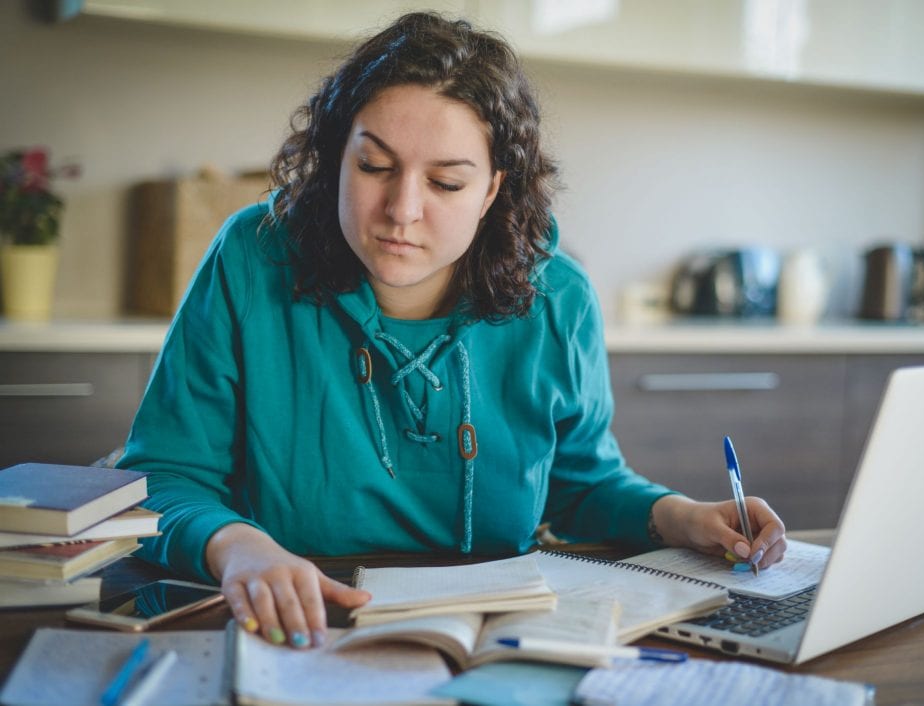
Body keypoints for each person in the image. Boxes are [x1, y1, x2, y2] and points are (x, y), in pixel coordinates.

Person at [118, 12, 786, 651]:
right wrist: (240, 548)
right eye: (374, 167)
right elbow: (162, 476)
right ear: (334, 156)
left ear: (493, 190)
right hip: (300, 622)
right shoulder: (250, 257)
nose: (401, 211)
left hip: (497, 627)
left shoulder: (559, 297)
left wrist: (681, 516)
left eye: (445, 182)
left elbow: (579, 483)